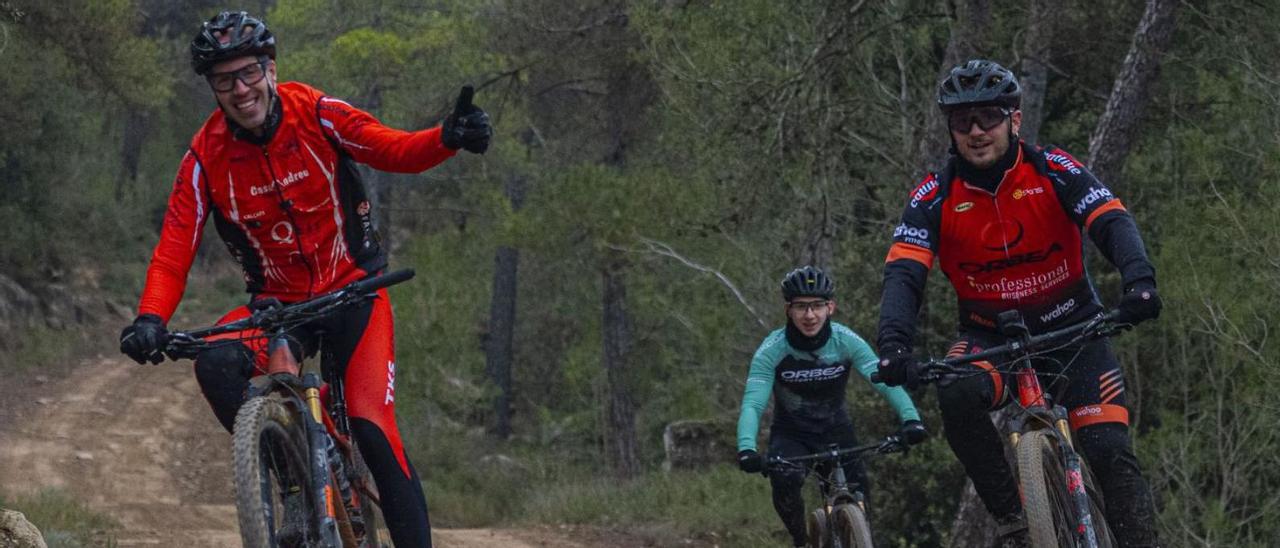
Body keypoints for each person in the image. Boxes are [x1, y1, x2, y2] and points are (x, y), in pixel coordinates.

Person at [117, 11, 491, 547]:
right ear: (213, 88)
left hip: (355, 293)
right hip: (279, 308)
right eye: (225, 81)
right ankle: (295, 483)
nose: (240, 90)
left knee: (372, 427)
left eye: (248, 73)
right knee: (216, 361)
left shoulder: (316, 113)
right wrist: (151, 318)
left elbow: (390, 149)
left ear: (270, 68)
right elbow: (175, 247)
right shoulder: (204, 159)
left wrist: (447, 138)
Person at [875, 59, 1162, 548]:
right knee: (956, 392)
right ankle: (1013, 521)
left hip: (1076, 330)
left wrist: (1139, 283)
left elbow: (1111, 220)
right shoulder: (934, 195)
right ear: (950, 129)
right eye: (962, 121)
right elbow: (905, 272)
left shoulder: (1052, 168)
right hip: (991, 339)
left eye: (988, 115)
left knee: (1109, 450)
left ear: (1015, 118)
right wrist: (894, 344)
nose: (976, 131)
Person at [737, 266, 927, 548]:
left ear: (831, 307)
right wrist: (747, 448)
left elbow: (883, 380)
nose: (810, 315)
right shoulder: (772, 350)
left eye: (817, 306)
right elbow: (753, 403)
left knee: (861, 496)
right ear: (788, 310)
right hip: (792, 435)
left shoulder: (845, 340)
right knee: (785, 481)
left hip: (835, 430)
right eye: (801, 307)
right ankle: (801, 540)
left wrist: (911, 419)